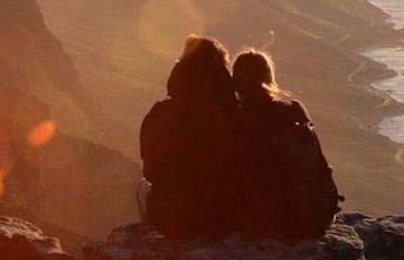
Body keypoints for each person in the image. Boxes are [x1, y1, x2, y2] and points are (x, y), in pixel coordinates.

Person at [138, 35, 243, 238]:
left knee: (143, 186)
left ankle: (150, 238)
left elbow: (150, 169)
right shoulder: (235, 115)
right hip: (224, 217)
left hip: (175, 218)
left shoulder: (162, 113)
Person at [231, 49, 342, 239]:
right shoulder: (295, 111)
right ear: (270, 77)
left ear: (236, 83)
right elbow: (320, 163)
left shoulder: (237, 121)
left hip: (267, 221)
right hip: (316, 216)